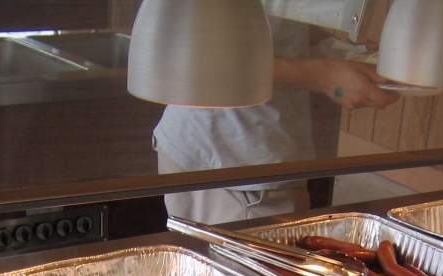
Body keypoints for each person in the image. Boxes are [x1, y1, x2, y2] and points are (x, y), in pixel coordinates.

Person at [153, 19, 399, 225]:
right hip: (235, 159)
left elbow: (276, 22)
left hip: (232, 148)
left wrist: (338, 50)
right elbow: (203, 52)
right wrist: (326, 76)